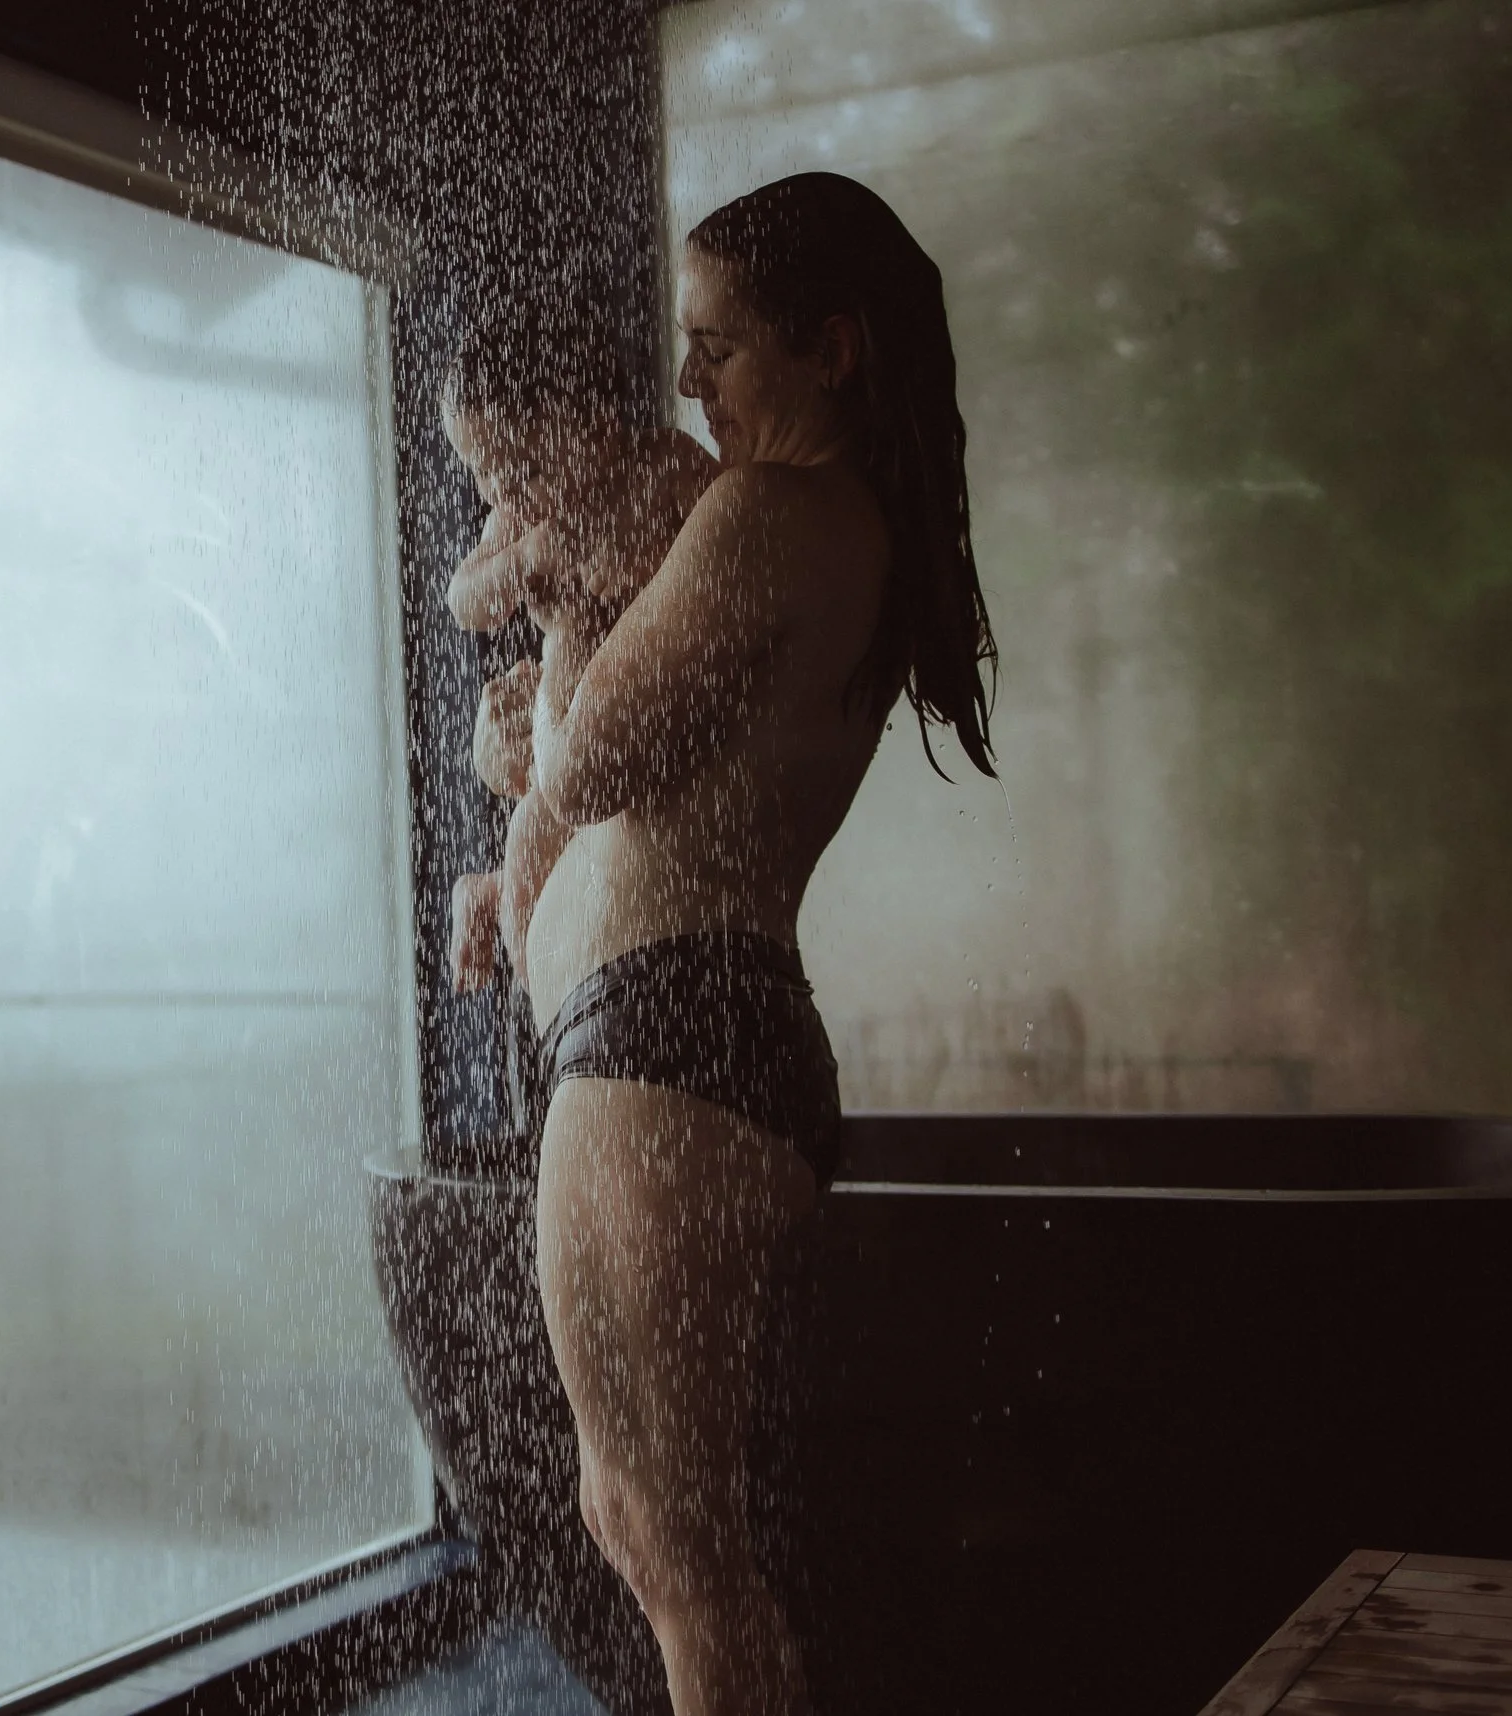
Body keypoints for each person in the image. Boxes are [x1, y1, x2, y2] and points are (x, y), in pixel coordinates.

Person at [472, 173, 998, 1715]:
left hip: (666, 1044)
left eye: (717, 347)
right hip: (692, 1040)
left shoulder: (776, 512)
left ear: (829, 349)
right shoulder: (837, 531)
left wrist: (558, 670)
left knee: (667, 1535)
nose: (689, 383)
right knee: (662, 1525)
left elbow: (591, 769)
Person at [436, 325, 719, 1001]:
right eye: (482, 471)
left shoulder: (663, 469)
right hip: (566, 738)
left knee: (645, 862)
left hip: (654, 719)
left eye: (526, 465)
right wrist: (525, 561)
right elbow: (464, 600)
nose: (505, 489)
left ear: (595, 421)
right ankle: (553, 1005)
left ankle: (503, 897)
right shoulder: (519, 522)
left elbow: (732, 544)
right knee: (538, 850)